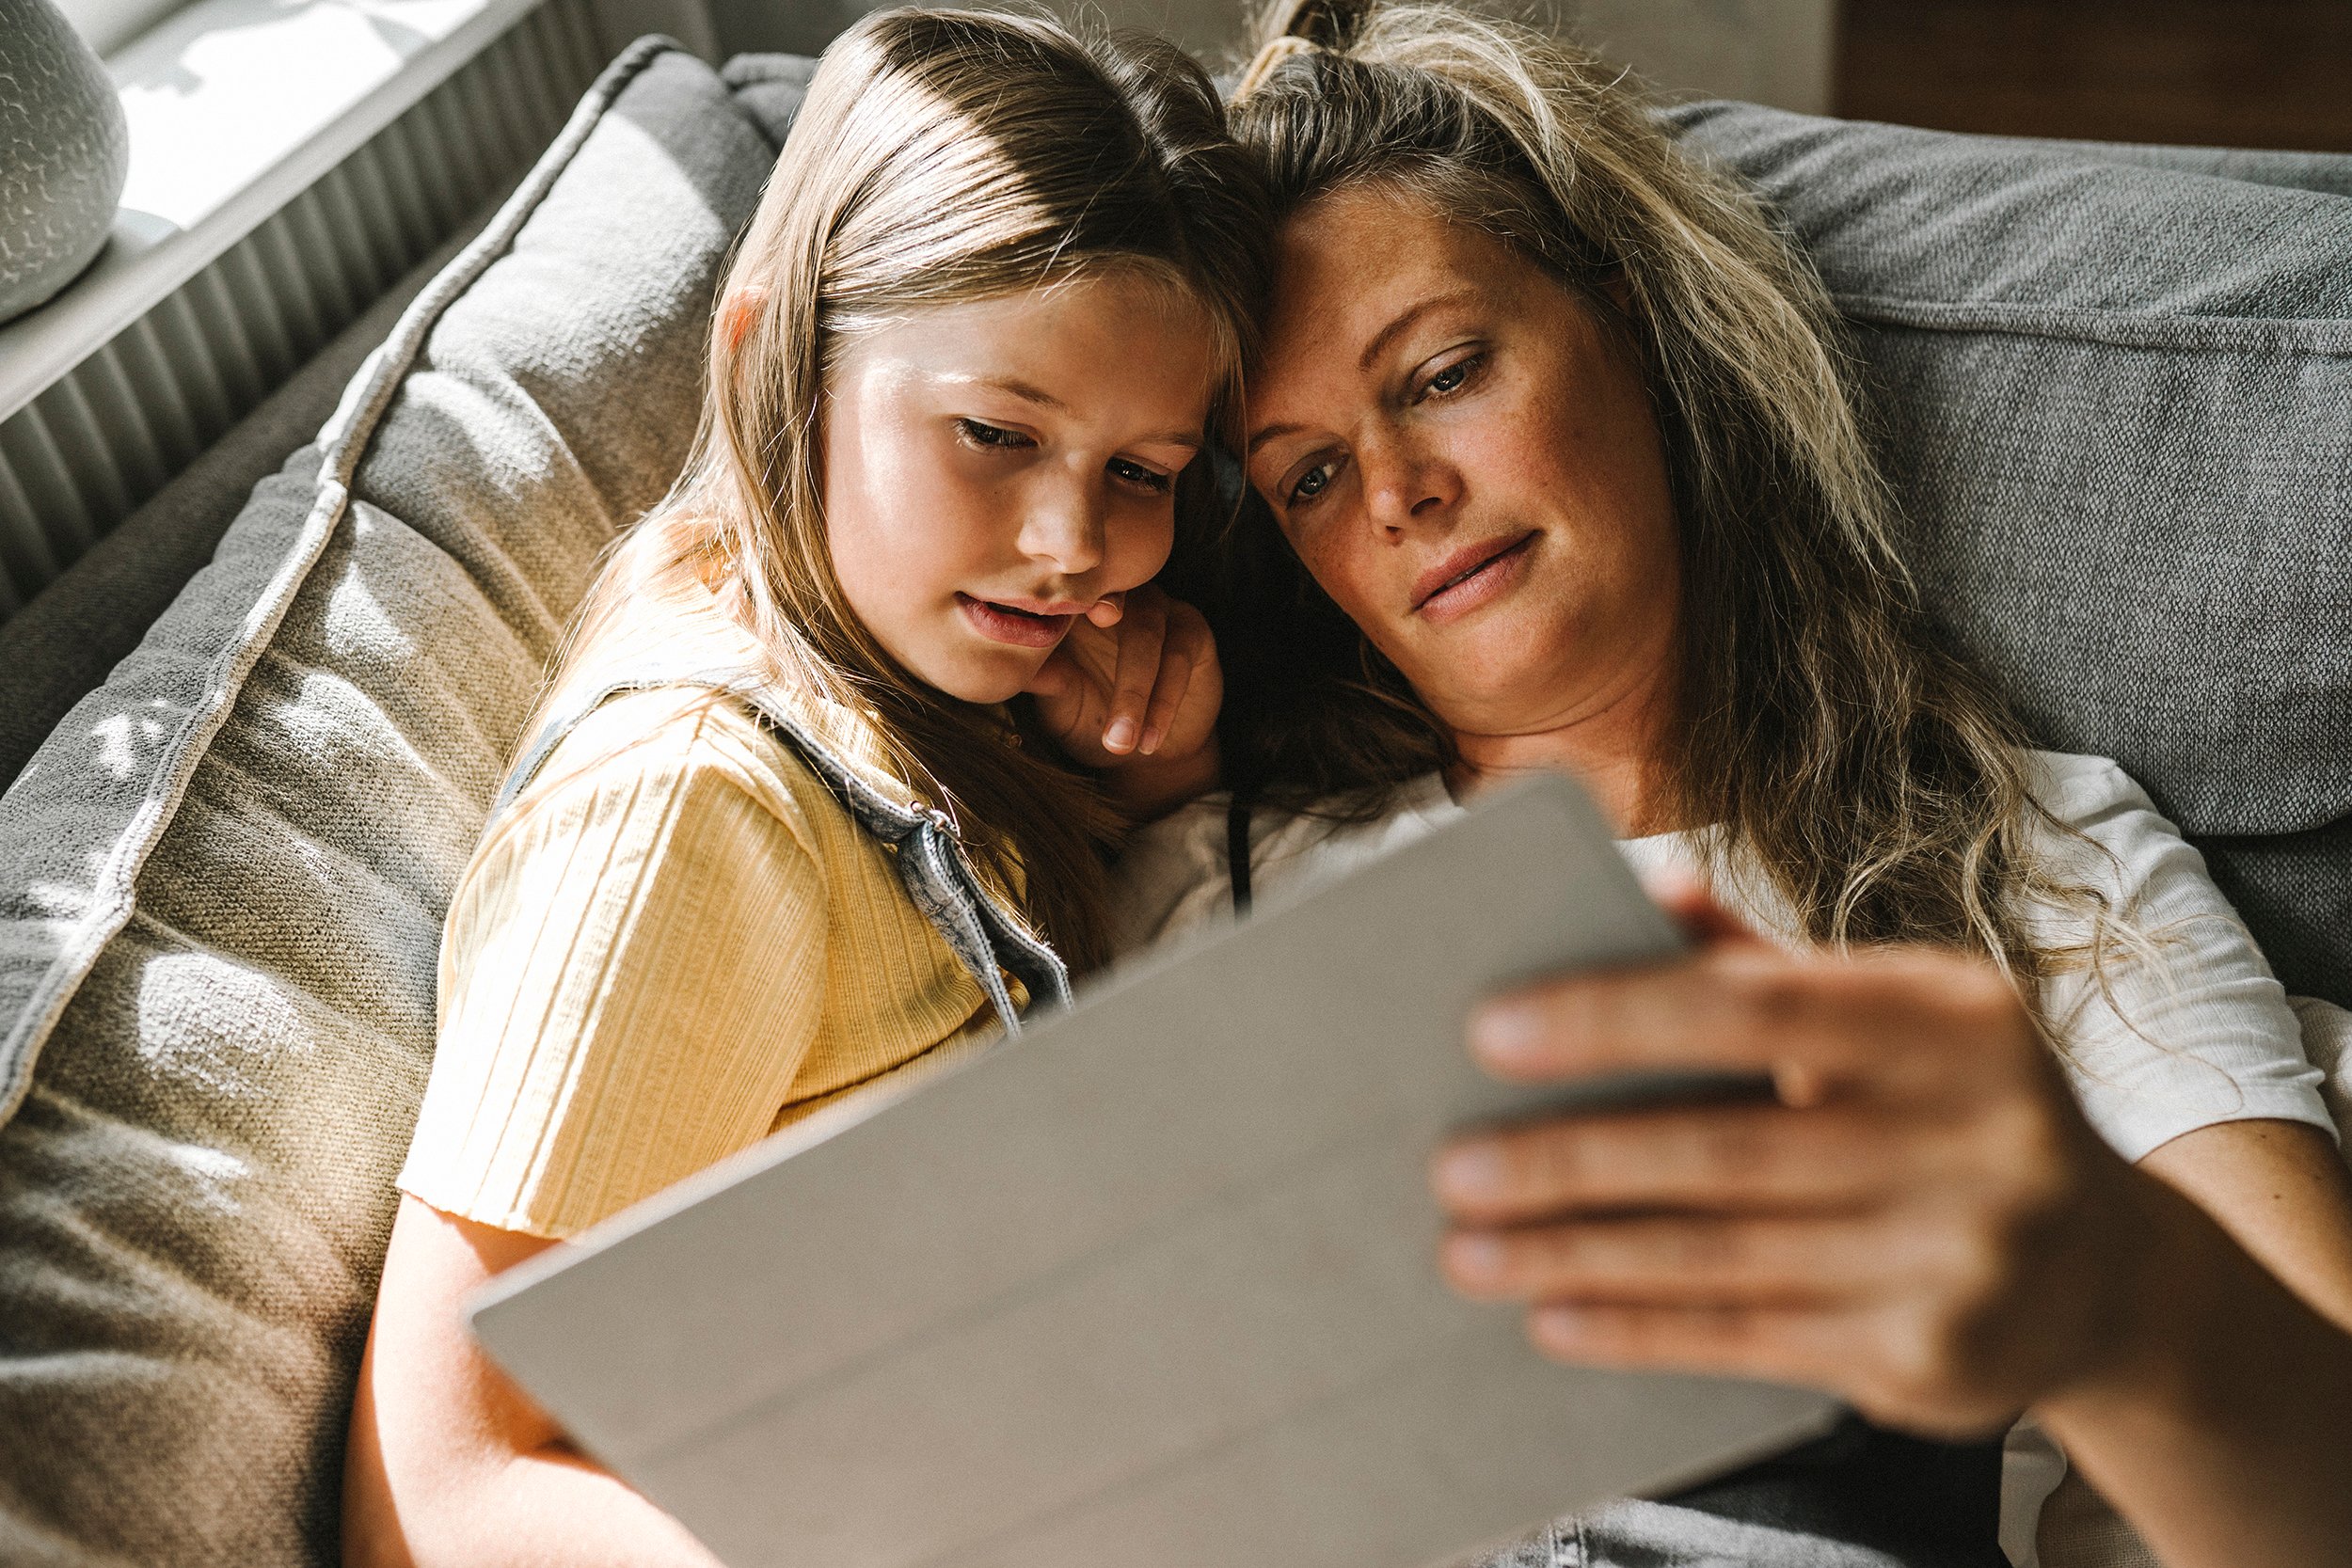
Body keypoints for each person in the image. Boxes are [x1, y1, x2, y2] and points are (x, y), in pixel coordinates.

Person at [1119, 4, 2352, 1565]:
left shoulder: (2039, 873)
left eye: (1439, 375)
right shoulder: (1207, 878)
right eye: (1306, 474)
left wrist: (2116, 1296)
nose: (1399, 493)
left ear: (1623, 320)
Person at [341, 12, 1263, 1563]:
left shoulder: (948, 689)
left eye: (1143, 472)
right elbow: (436, 1498)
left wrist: (1166, 777)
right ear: (779, 354)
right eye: (996, 434)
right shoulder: (690, 810)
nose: (1072, 543)